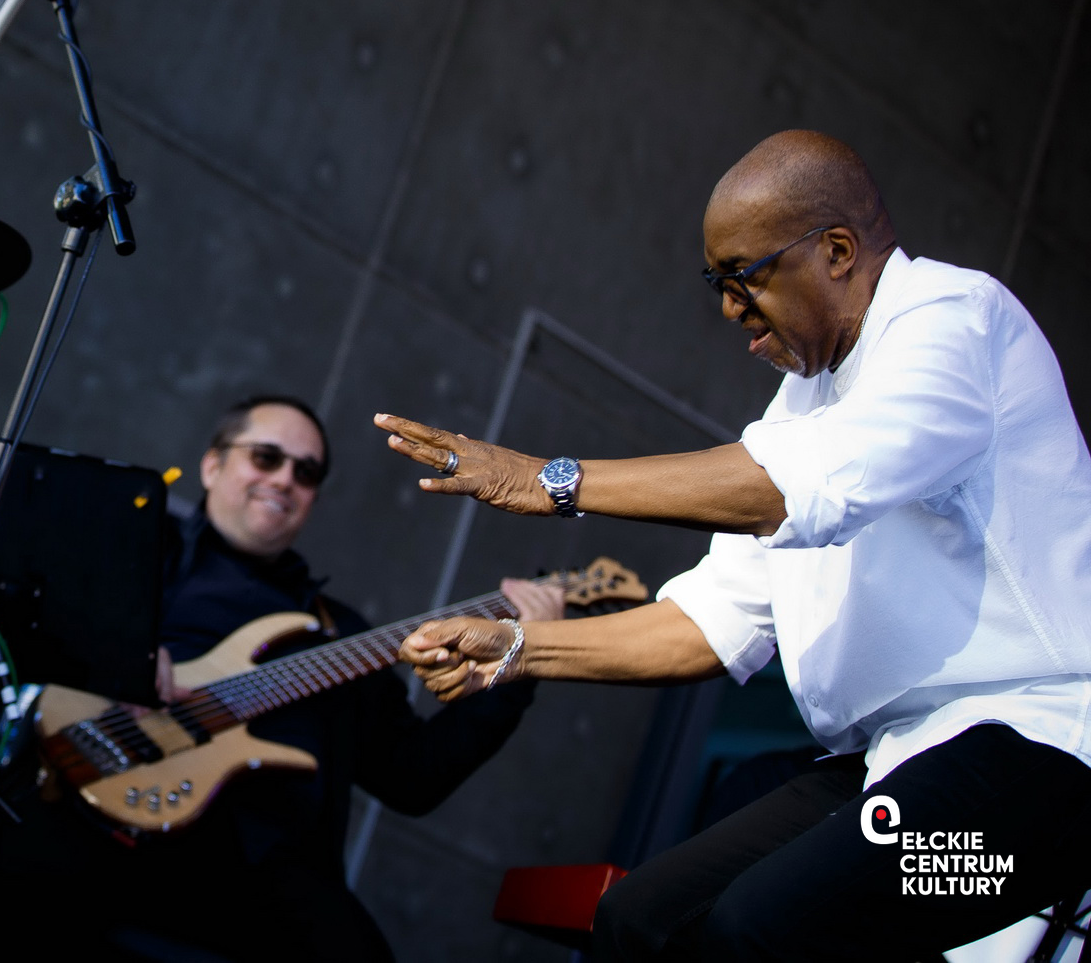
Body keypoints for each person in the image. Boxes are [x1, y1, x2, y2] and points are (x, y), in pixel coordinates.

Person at [381, 130, 1091, 962]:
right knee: (639, 919)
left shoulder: (953, 319)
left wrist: (553, 480)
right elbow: (711, 621)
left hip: (1042, 763)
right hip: (897, 758)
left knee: (759, 929)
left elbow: (794, 487)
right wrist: (519, 649)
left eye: (743, 276)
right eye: (716, 284)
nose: (729, 308)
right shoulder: (803, 401)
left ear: (836, 251)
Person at [0, 394, 562, 963]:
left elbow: (413, 779)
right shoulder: (130, 559)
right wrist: (111, 655)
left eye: (305, 473)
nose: (284, 479)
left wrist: (522, 656)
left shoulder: (339, 636)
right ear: (212, 466)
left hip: (264, 888)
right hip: (93, 828)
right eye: (266, 457)